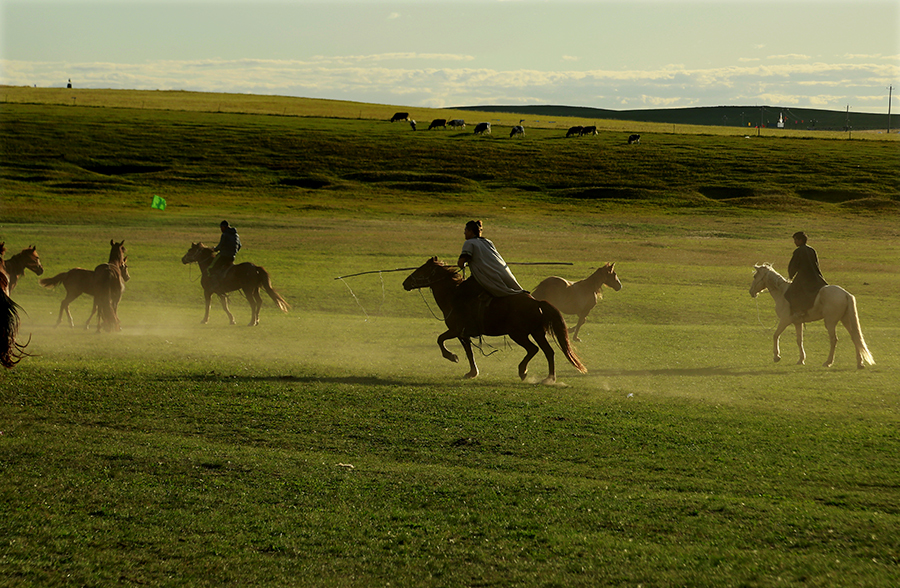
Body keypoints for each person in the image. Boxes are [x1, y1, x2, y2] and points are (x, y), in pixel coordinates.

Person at [455, 220, 525, 336]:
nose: (464, 233)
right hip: (501, 275)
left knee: (458, 294)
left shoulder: (469, 243)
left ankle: (467, 326)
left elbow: (461, 263)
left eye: (465, 231)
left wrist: (463, 264)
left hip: (484, 277)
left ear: (471, 231)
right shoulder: (488, 242)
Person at [784, 231, 827, 321]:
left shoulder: (798, 251)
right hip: (815, 276)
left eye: (795, 240)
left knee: (790, 293)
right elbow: (816, 264)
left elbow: (793, 265)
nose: (794, 242)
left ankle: (799, 311)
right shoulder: (812, 250)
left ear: (800, 240)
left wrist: (791, 275)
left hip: (803, 277)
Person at [206, 220, 241, 286]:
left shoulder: (225, 234)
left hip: (224, 255)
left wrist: (214, 249)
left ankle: (215, 284)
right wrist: (234, 251)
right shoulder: (236, 235)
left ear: (225, 227)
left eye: (222, 228)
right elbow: (239, 245)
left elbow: (221, 245)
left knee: (210, 267)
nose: (221, 229)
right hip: (232, 257)